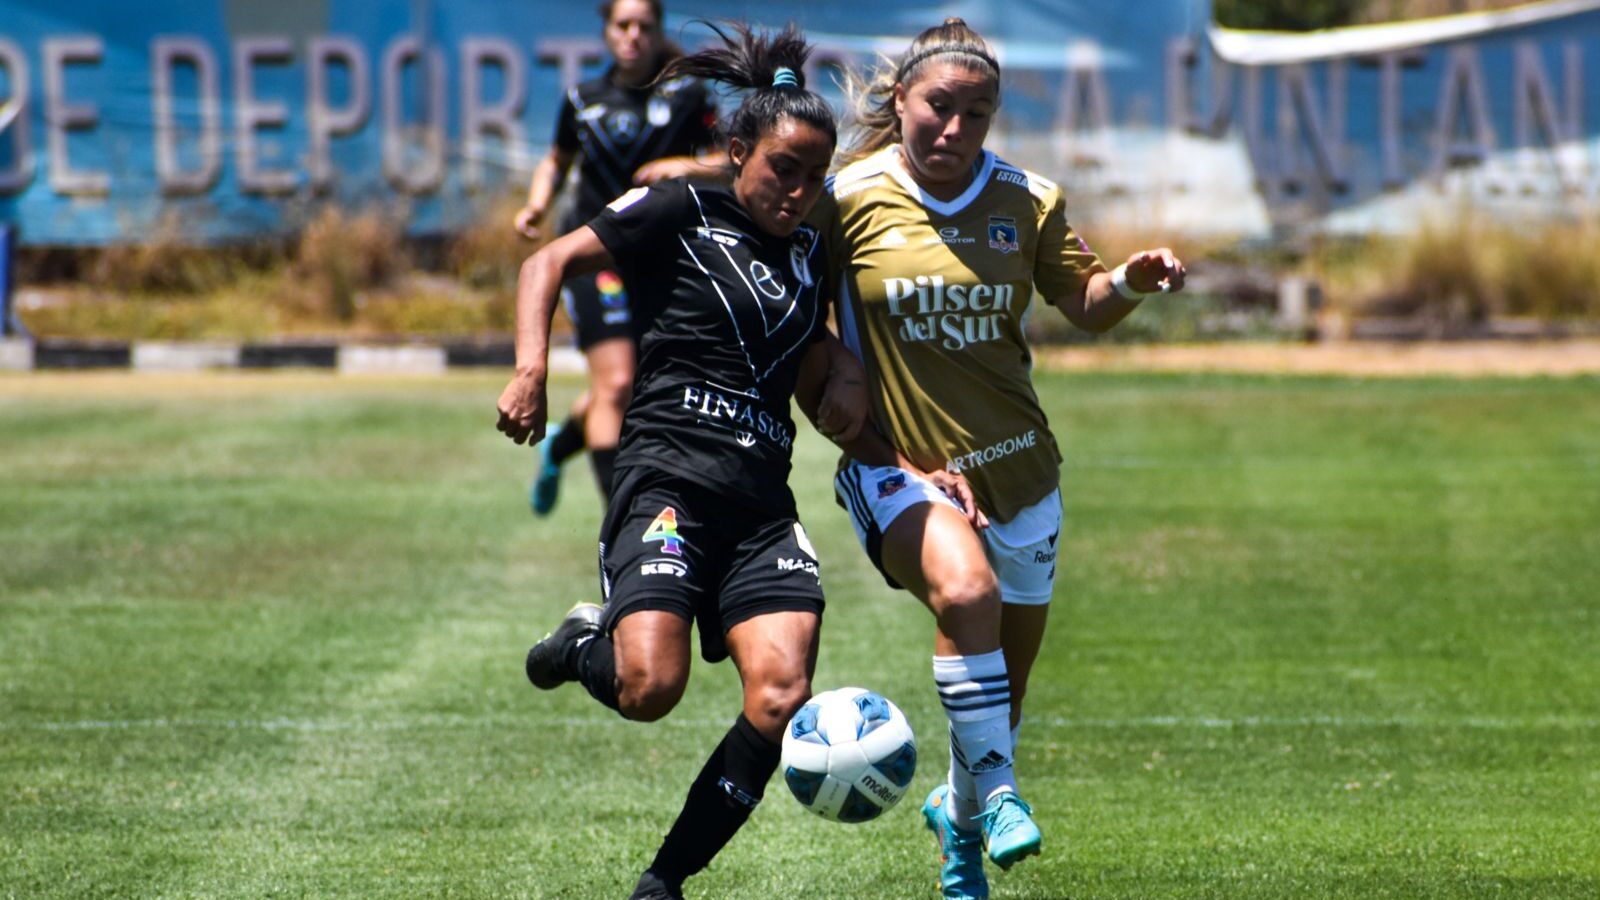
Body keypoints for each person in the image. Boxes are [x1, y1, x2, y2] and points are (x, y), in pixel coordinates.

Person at [496, 22, 977, 900]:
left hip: (760, 508)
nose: (795, 193)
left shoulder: (806, 262)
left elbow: (814, 394)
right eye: (781, 170)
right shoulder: (688, 211)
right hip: (668, 484)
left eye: (811, 178)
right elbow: (552, 260)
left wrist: (908, 465)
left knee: (780, 690)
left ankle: (665, 881)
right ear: (737, 151)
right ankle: (581, 643)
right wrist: (531, 368)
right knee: (649, 687)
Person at [818, 18, 1186, 899]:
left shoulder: (1028, 200)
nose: (953, 129)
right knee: (967, 595)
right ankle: (1007, 797)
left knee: (997, 702)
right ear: (899, 101)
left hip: (1021, 469)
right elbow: (801, 323)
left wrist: (1131, 281)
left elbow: (1086, 304)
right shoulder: (845, 199)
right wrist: (843, 399)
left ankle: (962, 828)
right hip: (897, 470)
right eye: (938, 107)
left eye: (975, 115)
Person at [513, 0, 723, 517]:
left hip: (664, 259)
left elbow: (731, 159)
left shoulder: (689, 94)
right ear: (606, 33)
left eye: (644, 27)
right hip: (595, 256)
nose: (633, 36)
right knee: (618, 383)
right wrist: (537, 205)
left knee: (643, 387)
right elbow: (556, 160)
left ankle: (562, 444)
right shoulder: (584, 98)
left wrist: (686, 166)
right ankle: (627, 523)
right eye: (622, 25)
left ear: (658, 33)